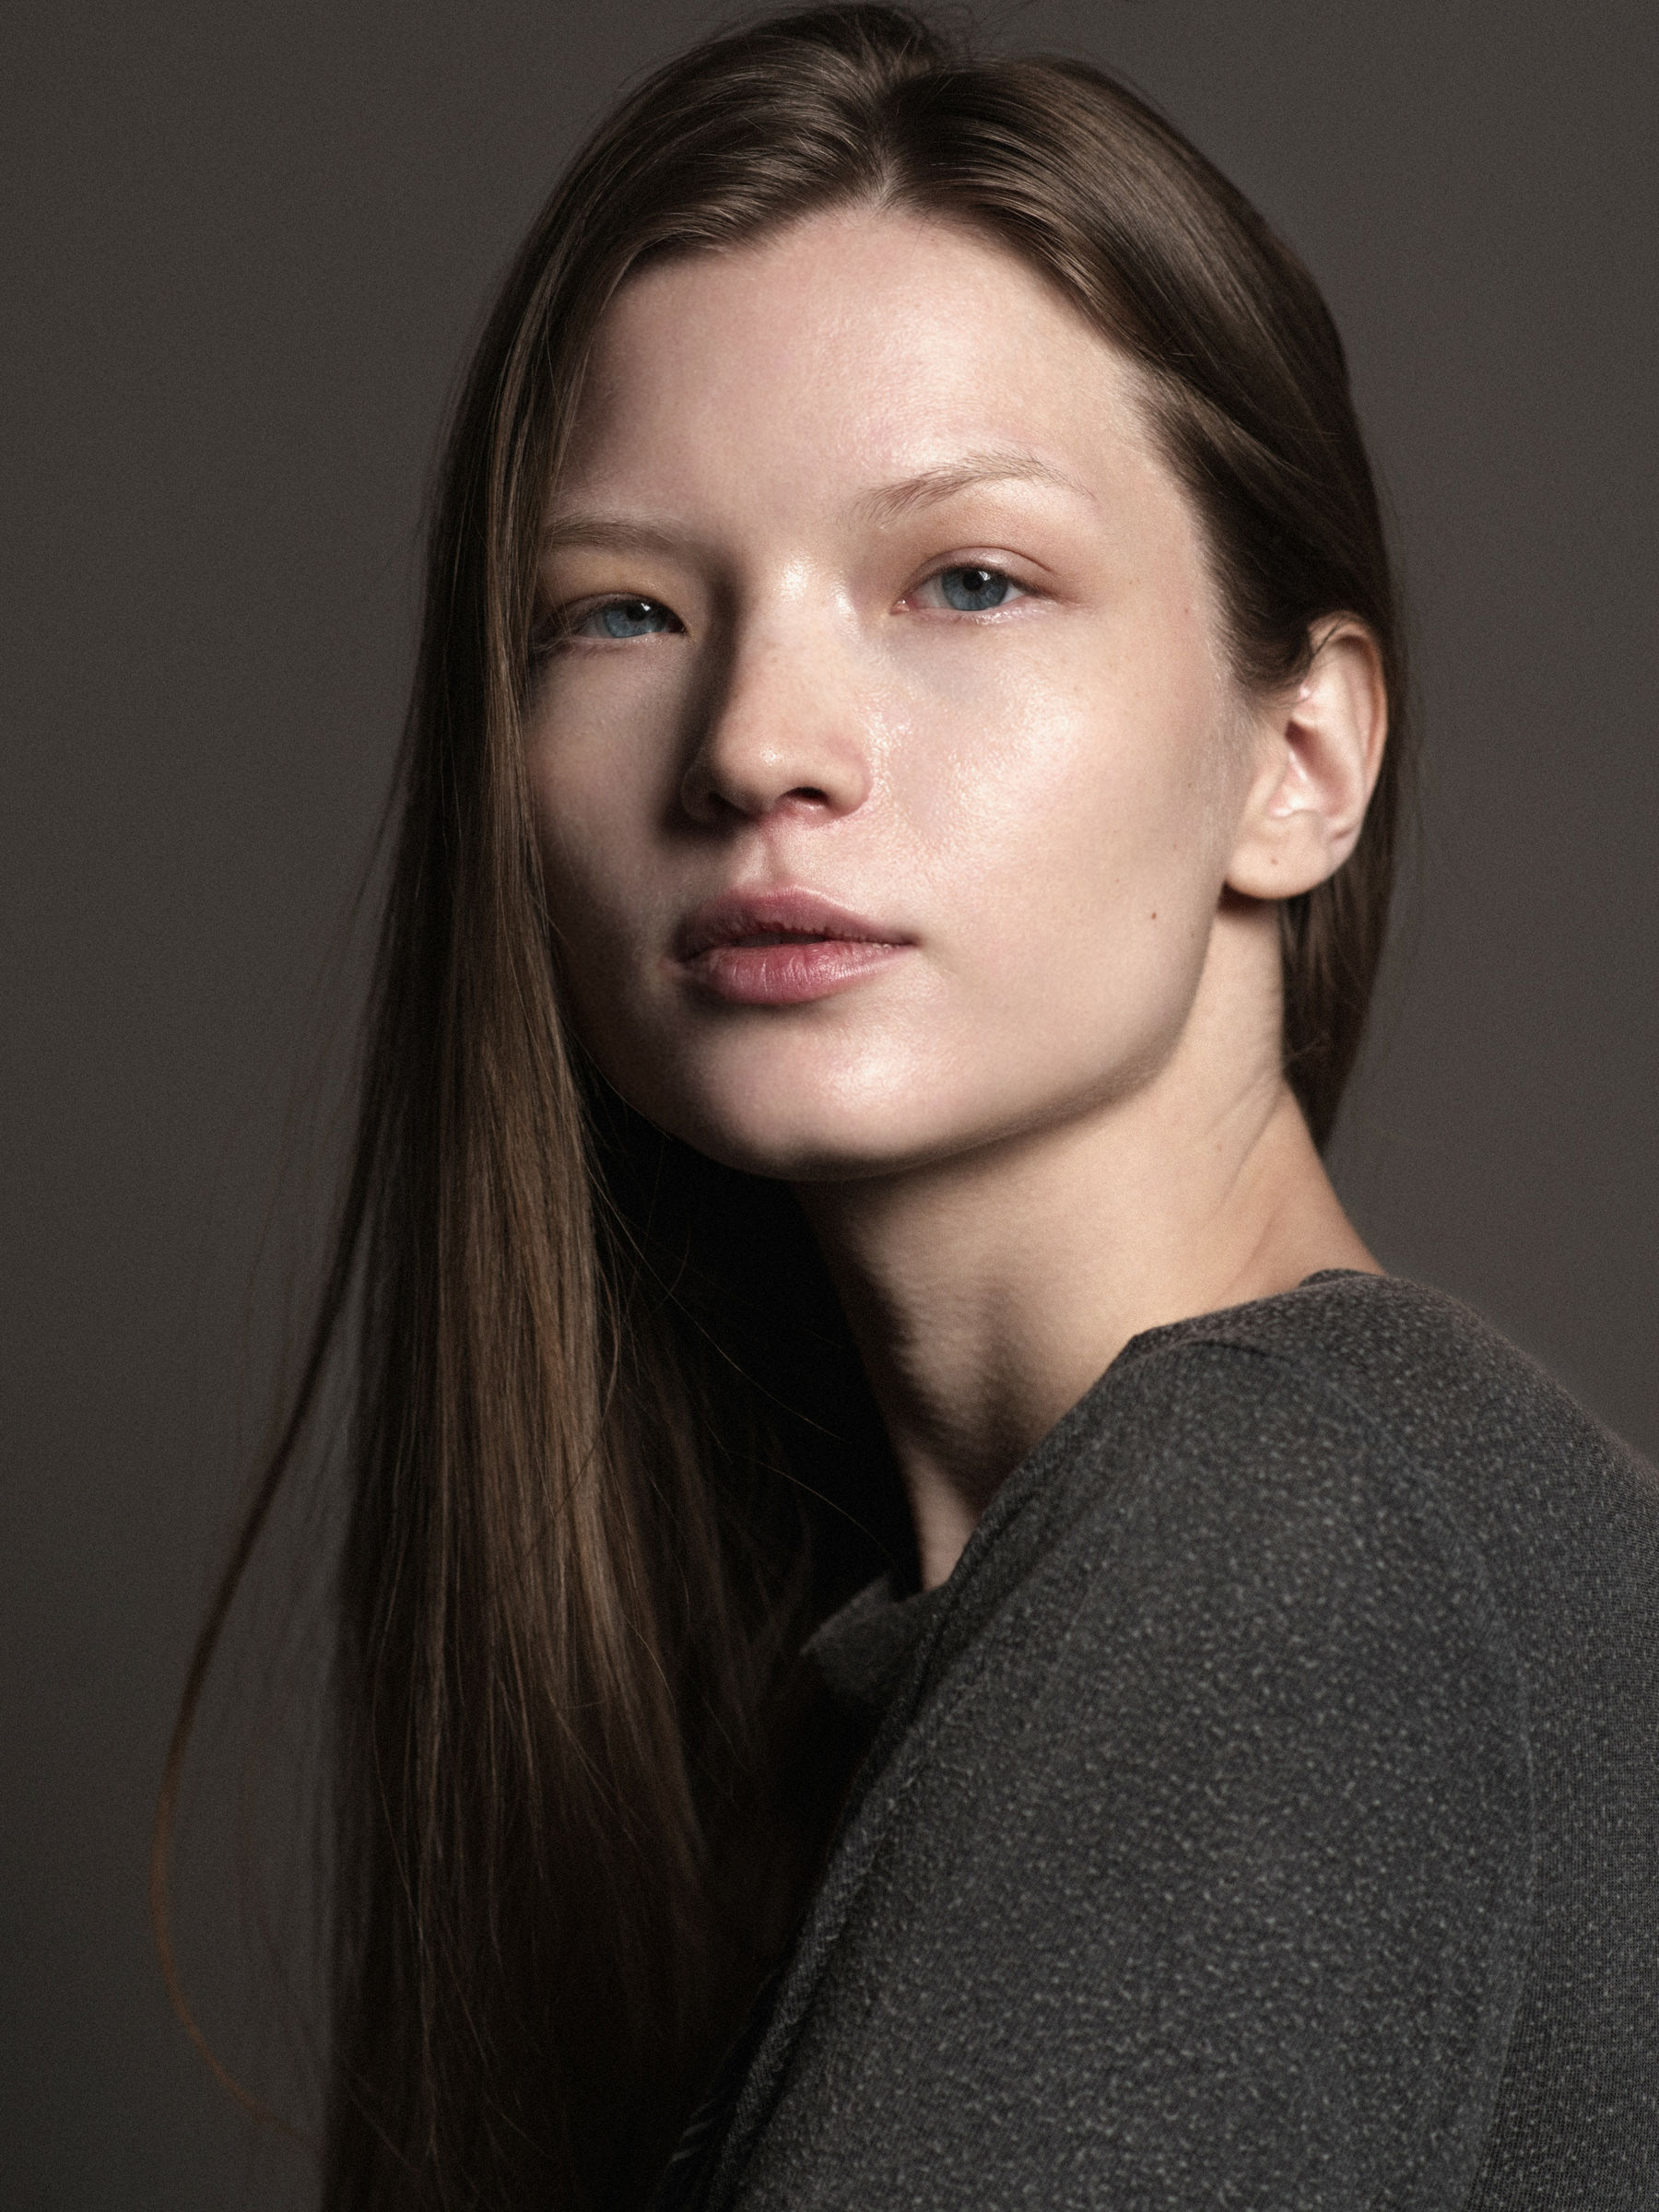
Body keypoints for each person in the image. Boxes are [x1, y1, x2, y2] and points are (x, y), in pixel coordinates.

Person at [156, 6, 1659, 2207]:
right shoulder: (994, 1641)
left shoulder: (1288, 1548)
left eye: (969, 579)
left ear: (1300, 759)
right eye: (622, 611)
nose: (759, 742)